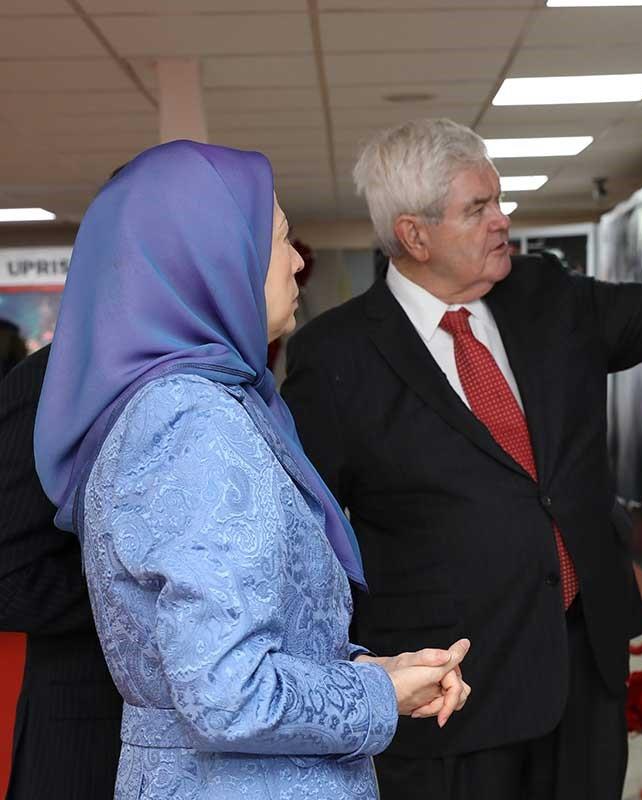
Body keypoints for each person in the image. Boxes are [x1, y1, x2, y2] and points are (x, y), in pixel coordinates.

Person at [282, 117, 642, 799]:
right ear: (414, 234)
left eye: (497, 200)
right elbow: (308, 531)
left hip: (583, 666)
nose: (503, 221)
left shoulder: (545, 295)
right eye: (479, 209)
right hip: (454, 693)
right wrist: (350, 672)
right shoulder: (338, 356)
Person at [32, 140, 473, 800]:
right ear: (211, 258)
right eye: (281, 240)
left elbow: (237, 646)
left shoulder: (187, 402)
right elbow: (227, 695)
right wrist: (376, 691)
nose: (298, 264)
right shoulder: (192, 419)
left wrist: (376, 670)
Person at [0, 344, 124, 799]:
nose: (295, 266)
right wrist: (142, 591)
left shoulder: (232, 375)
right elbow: (7, 582)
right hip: (86, 746)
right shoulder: (58, 379)